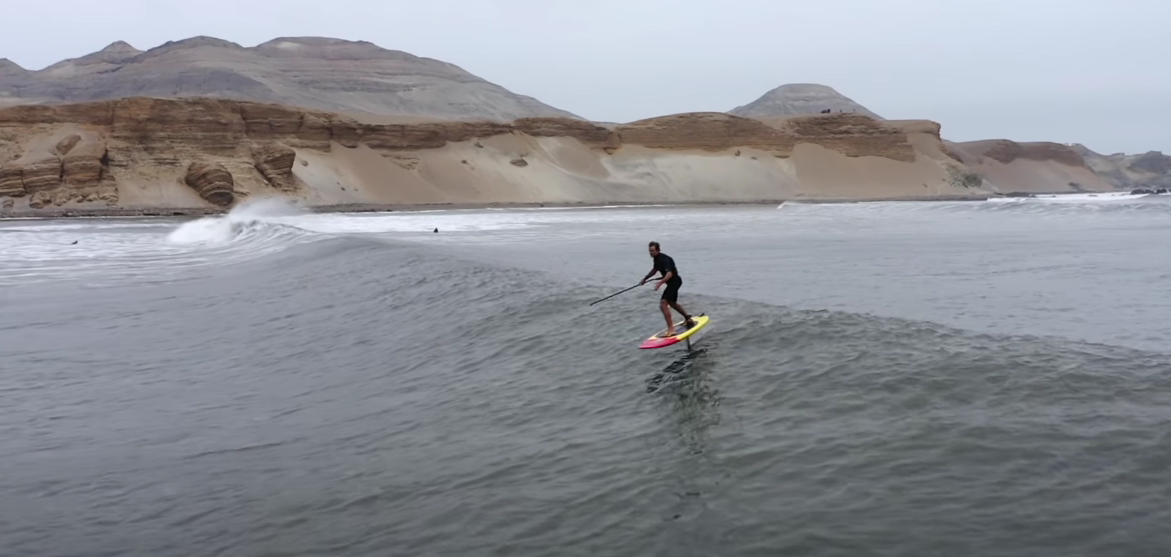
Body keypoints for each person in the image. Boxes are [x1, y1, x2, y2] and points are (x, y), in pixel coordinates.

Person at [641, 241, 695, 337]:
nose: (651, 253)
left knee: (663, 304)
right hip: (672, 283)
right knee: (672, 303)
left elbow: (669, 274)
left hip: (674, 282)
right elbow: (654, 270)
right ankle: (687, 318)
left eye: (652, 251)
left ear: (658, 250)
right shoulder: (656, 259)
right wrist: (645, 279)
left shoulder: (665, 259)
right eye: (649, 251)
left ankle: (671, 329)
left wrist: (660, 283)